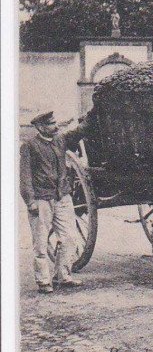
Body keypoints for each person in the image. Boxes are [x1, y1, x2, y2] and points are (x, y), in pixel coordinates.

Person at [20, 111, 83, 293]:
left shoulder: (60, 140)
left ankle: (62, 276)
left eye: (55, 123)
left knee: (69, 238)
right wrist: (30, 201)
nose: (55, 126)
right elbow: (25, 177)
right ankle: (43, 281)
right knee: (40, 243)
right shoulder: (29, 146)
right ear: (40, 127)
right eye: (50, 124)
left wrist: (92, 114)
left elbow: (78, 132)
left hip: (62, 197)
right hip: (41, 199)